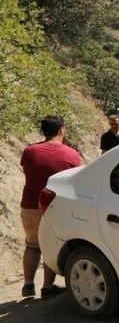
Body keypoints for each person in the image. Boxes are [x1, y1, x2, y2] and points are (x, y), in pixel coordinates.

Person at [19, 116, 81, 298]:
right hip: (53, 206)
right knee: (49, 246)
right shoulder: (70, 154)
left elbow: (28, 171)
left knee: (31, 245)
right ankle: (47, 287)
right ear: (62, 129)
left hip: (29, 204)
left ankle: (28, 284)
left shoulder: (29, 151)